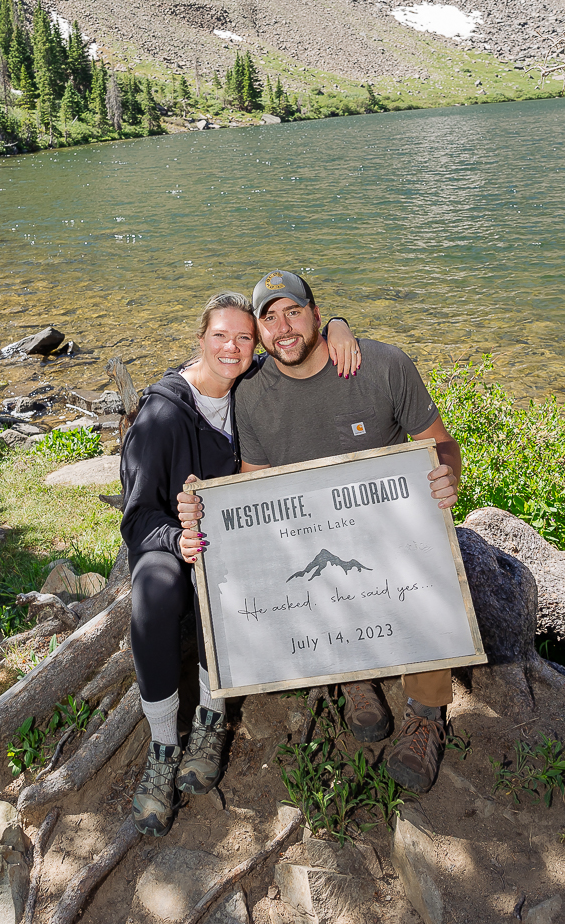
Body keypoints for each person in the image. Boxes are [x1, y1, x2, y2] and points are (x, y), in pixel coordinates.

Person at [178, 269, 461, 795]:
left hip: (390, 533)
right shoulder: (254, 393)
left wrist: (448, 478)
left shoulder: (381, 366)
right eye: (269, 318)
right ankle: (354, 676)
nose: (283, 328)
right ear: (259, 333)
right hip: (314, 539)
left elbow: (440, 443)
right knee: (313, 567)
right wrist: (206, 508)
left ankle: (425, 714)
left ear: (316, 314)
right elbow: (252, 486)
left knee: (432, 554)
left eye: (294, 312)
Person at [120, 291, 360, 836]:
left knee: (227, 584)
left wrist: (340, 327)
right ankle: (161, 748)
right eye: (220, 336)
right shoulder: (162, 416)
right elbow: (137, 516)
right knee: (154, 598)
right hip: (167, 539)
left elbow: (300, 346)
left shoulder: (251, 385)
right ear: (200, 340)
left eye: (243, 338)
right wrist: (174, 540)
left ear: (254, 347)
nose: (233, 347)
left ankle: (210, 718)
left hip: (229, 539)